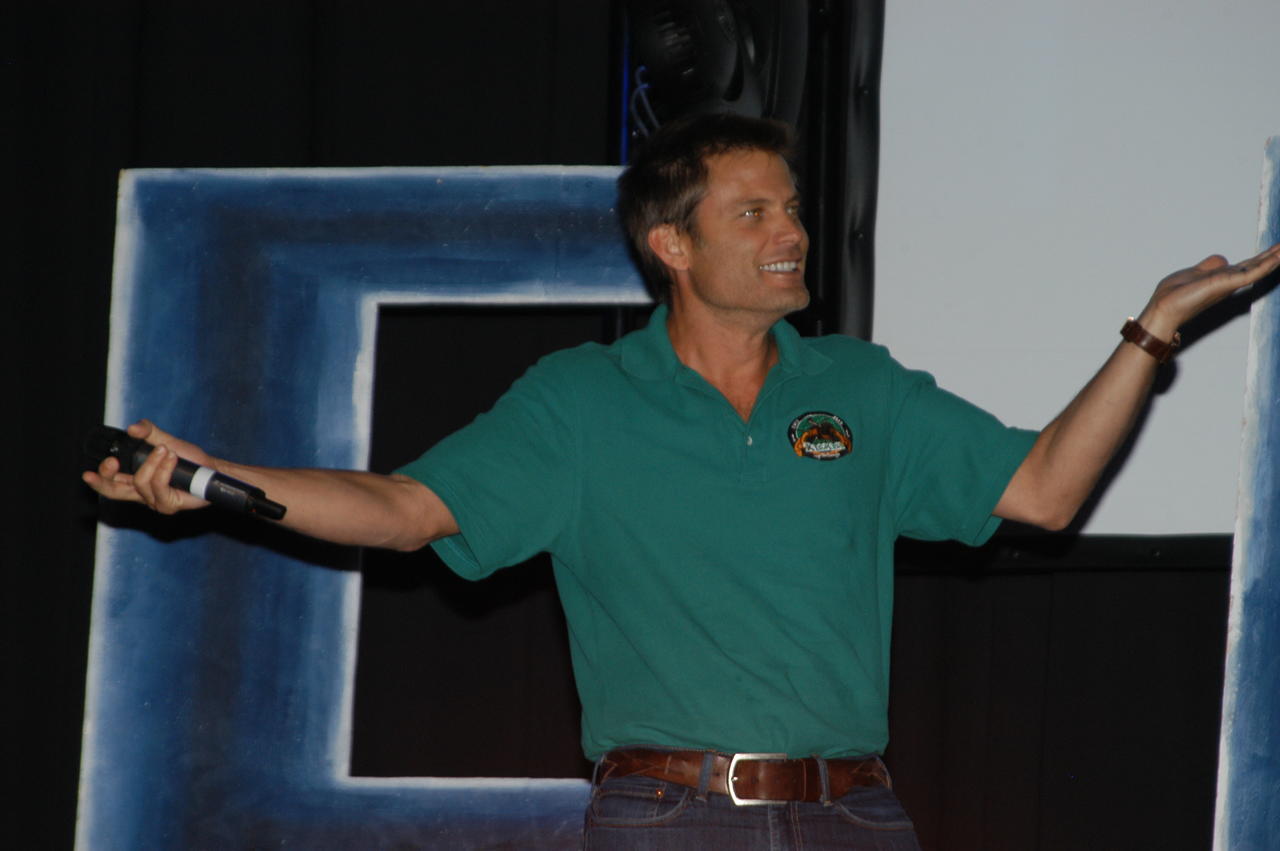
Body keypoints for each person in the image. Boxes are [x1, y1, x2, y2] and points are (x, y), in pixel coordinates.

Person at [85, 113, 1280, 849]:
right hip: (668, 819)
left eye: (791, 207)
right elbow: (406, 511)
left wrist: (1150, 332)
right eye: (753, 211)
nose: (789, 230)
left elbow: (1044, 491)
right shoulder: (581, 401)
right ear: (671, 244)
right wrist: (218, 479)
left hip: (856, 814)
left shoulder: (860, 387)